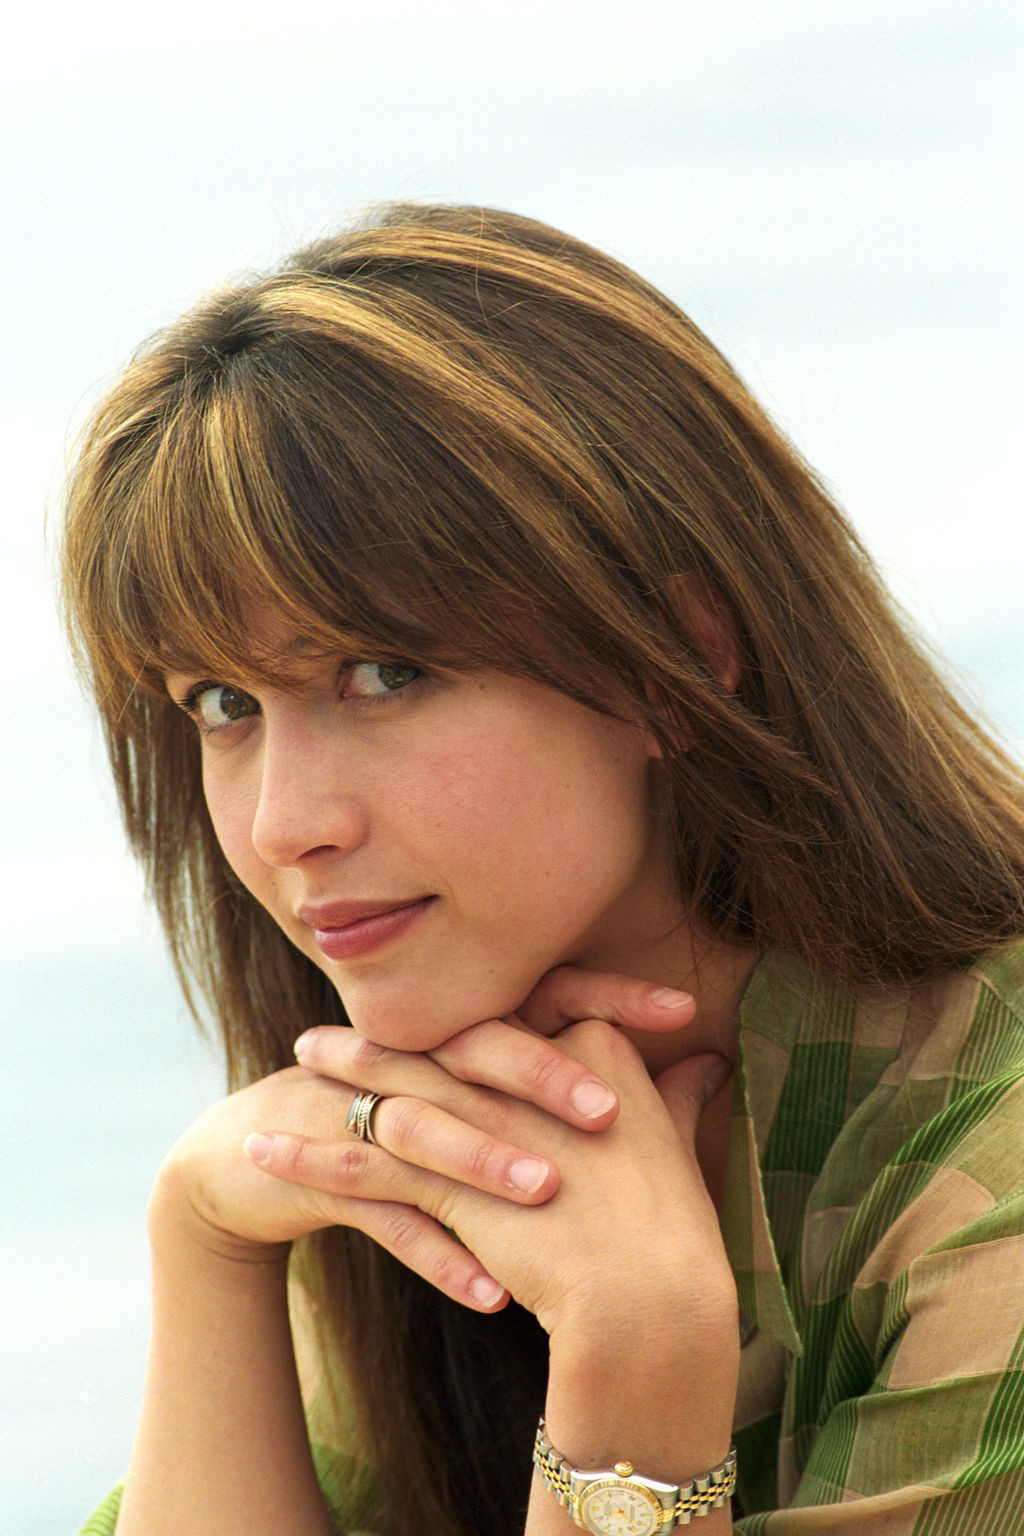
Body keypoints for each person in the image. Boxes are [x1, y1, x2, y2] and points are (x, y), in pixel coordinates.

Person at [63, 203, 1024, 1536]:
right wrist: (208, 1244)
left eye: (385, 673)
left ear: (673, 661)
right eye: (224, 704)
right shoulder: (445, 1126)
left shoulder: (992, 1169)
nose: (284, 826)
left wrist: (638, 1364)